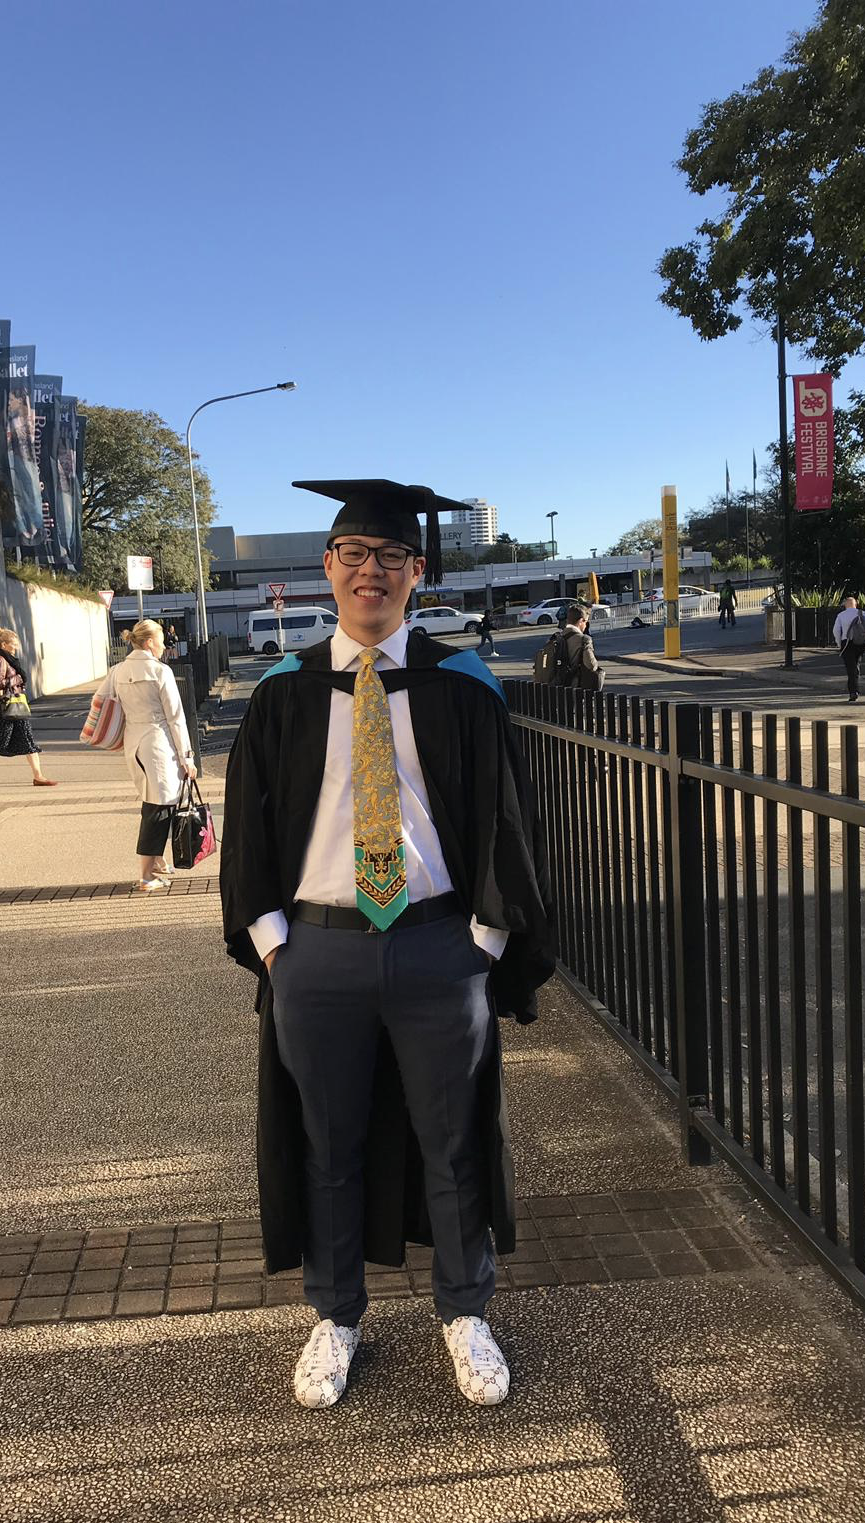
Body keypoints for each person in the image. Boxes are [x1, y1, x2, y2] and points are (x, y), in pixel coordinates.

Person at [222, 477, 555, 1411]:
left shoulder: (463, 685)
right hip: (318, 950)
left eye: (392, 558)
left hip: (439, 946)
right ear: (329, 567)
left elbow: (507, 819)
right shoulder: (283, 693)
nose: (372, 572)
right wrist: (274, 943)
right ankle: (335, 1315)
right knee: (326, 1141)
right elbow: (248, 829)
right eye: (356, 555)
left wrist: (485, 940)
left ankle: (465, 1311)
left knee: (453, 1137)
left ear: (418, 572)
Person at [95, 619, 197, 889]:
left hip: (133, 741)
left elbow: (100, 700)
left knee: (153, 799)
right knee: (158, 807)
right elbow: (176, 718)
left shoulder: (117, 670)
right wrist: (187, 757)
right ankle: (146, 874)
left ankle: (157, 861)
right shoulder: (160, 671)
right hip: (158, 742)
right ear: (150, 642)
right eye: (161, 640)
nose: (163, 646)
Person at [0, 629, 56, 788]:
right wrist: (17, 678)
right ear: (3, 644)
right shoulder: (0, 660)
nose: (16, 647)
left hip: (17, 705)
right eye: (13, 644)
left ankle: (38, 776)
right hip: (6, 708)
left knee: (28, 740)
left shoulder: (10, 660)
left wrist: (17, 680)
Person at [832, 596, 865, 704]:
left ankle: (853, 691)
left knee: (850, 668)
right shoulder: (862, 613)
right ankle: (856, 681)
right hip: (860, 642)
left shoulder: (841, 615)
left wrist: (839, 643)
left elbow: (836, 630)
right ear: (856, 604)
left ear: (846, 604)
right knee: (857, 663)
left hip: (847, 642)